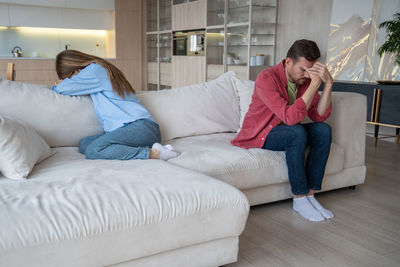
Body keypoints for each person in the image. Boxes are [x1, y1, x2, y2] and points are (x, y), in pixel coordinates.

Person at [232, 39, 334, 222]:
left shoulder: (304, 81)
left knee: (323, 130)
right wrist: (313, 85)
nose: (307, 75)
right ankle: (300, 198)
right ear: (288, 62)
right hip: (261, 134)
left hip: (287, 132)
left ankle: (310, 195)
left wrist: (327, 85)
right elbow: (290, 118)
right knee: (296, 132)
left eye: (311, 70)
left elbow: (319, 116)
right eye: (303, 69)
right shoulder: (267, 78)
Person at [52, 49, 178, 161]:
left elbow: (62, 88)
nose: (72, 80)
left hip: (141, 127)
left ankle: (154, 154)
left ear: (76, 70)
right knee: (84, 144)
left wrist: (59, 84)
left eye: (69, 77)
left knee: (93, 150)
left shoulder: (95, 70)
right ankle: (154, 147)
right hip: (134, 130)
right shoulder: (98, 71)